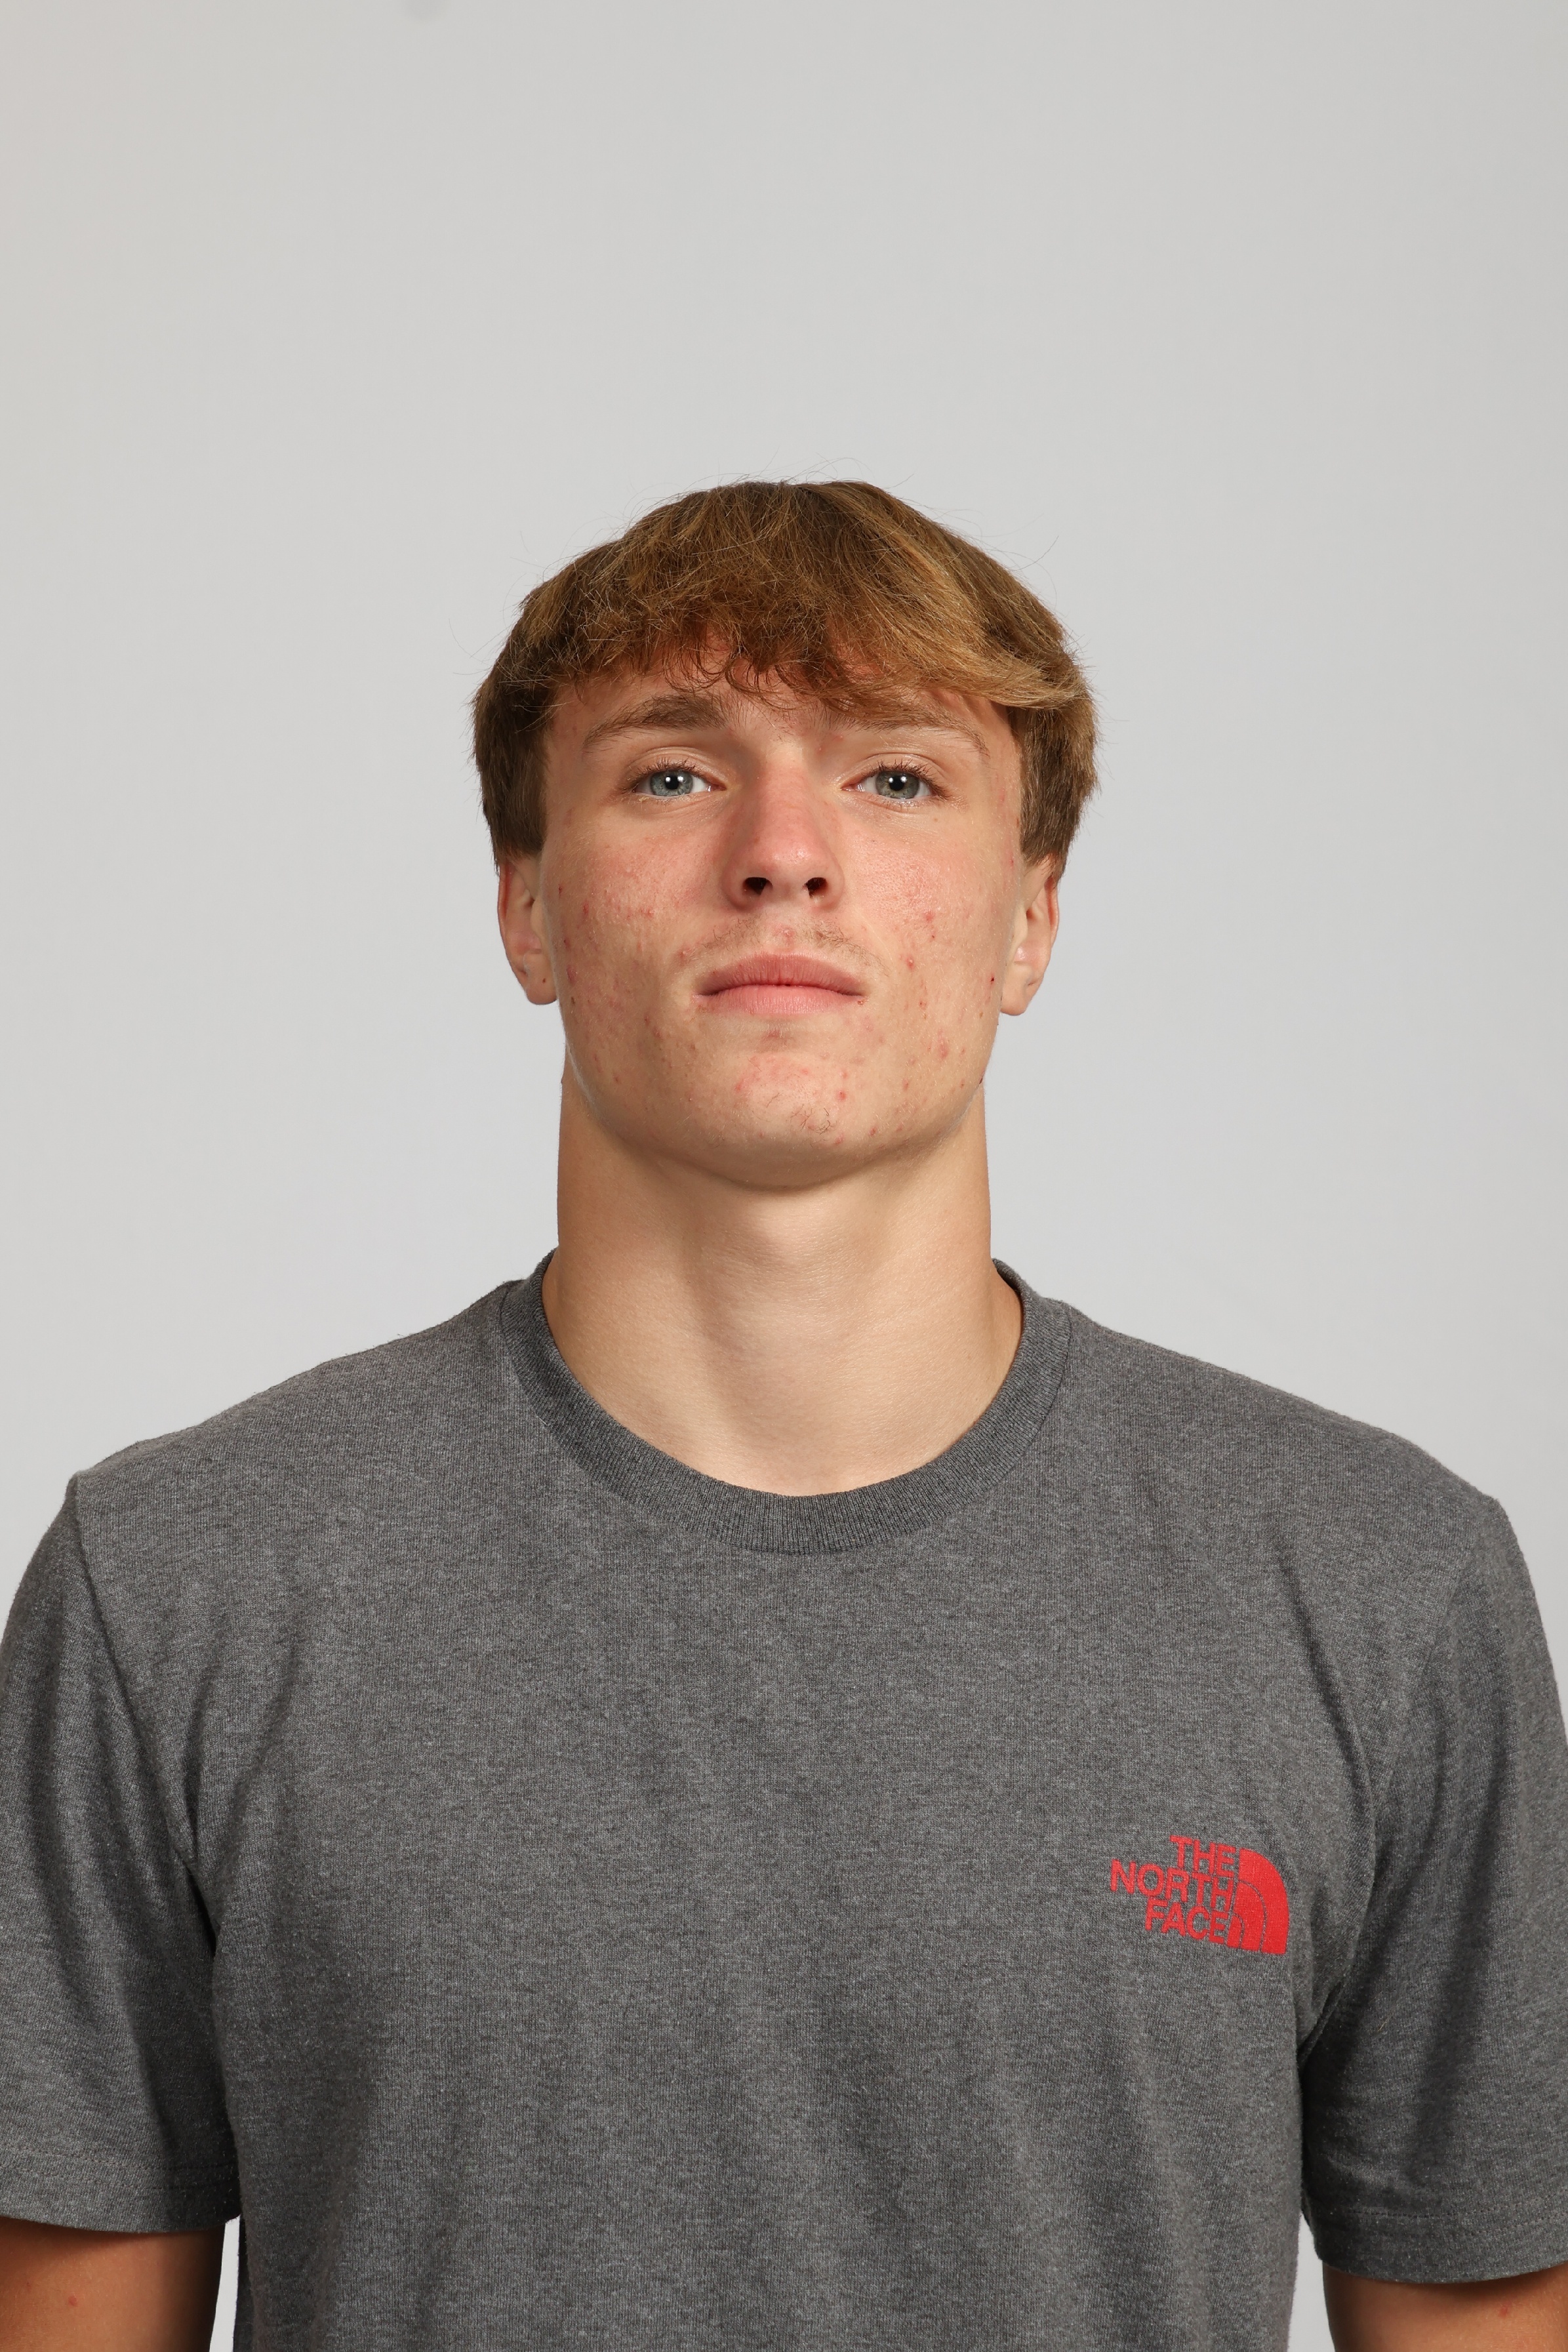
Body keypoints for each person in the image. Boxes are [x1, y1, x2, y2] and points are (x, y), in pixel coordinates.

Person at [1, 481, 1565, 2352]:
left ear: (1031, 919)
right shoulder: (175, 1590)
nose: (784, 855)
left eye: (896, 777)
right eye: (673, 773)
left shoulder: (1382, 1594)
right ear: (525, 905)